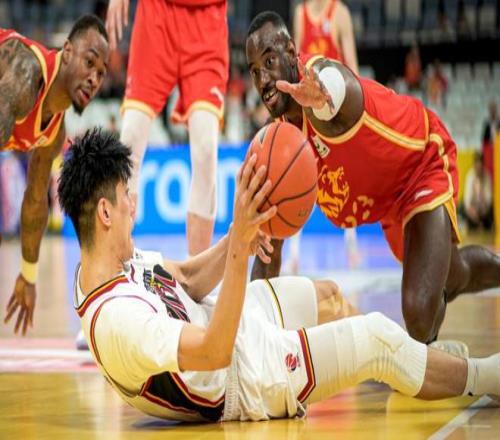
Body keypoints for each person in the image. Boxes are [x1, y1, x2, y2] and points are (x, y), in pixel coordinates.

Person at [59, 127, 500, 423]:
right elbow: (214, 351)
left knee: (329, 295)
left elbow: (187, 280)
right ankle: (486, 376)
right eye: (127, 197)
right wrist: (238, 252)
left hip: (230, 324)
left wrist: (240, 234)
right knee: (375, 340)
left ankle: (416, 364)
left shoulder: (114, 263)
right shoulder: (119, 322)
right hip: (243, 378)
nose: (134, 206)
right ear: (105, 213)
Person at [246, 11, 500, 345]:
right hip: (386, 202)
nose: (263, 79)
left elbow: (337, 88)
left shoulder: (321, 84)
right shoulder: (279, 141)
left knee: (419, 314)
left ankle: (436, 355)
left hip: (420, 164)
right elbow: (268, 251)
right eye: (254, 71)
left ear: (292, 52)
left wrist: (324, 99)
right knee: (453, 275)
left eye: (270, 61)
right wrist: (253, 331)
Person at [1, 15, 110, 335]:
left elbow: (36, 199)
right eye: (89, 62)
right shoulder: (25, 75)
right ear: (67, 52)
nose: (93, 78)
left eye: (101, 73)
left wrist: (28, 274)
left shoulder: (54, 132)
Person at [105, 0, 228, 256]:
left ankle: (196, 271)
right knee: (130, 140)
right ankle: (117, 262)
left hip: (207, 19)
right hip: (156, 14)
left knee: (206, 149)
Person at [292, 0, 360, 272]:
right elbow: (295, 63)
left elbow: (352, 67)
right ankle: (294, 250)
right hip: (310, 111)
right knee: (301, 177)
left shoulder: (340, 13)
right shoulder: (300, 14)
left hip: (336, 109)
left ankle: (351, 242)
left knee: (346, 176)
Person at [294, 0, 358, 74]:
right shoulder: (300, 13)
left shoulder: (341, 12)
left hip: (333, 79)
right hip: (307, 79)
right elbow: (296, 60)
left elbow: (351, 65)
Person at [462, 152, 493, 231]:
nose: (479, 169)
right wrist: (472, 212)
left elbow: (489, 201)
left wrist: (481, 193)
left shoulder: (487, 176)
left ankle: (485, 227)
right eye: (477, 166)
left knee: (490, 214)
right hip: (472, 212)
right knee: (463, 208)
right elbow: (467, 201)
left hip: (484, 212)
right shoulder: (470, 176)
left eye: (480, 166)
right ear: (474, 165)